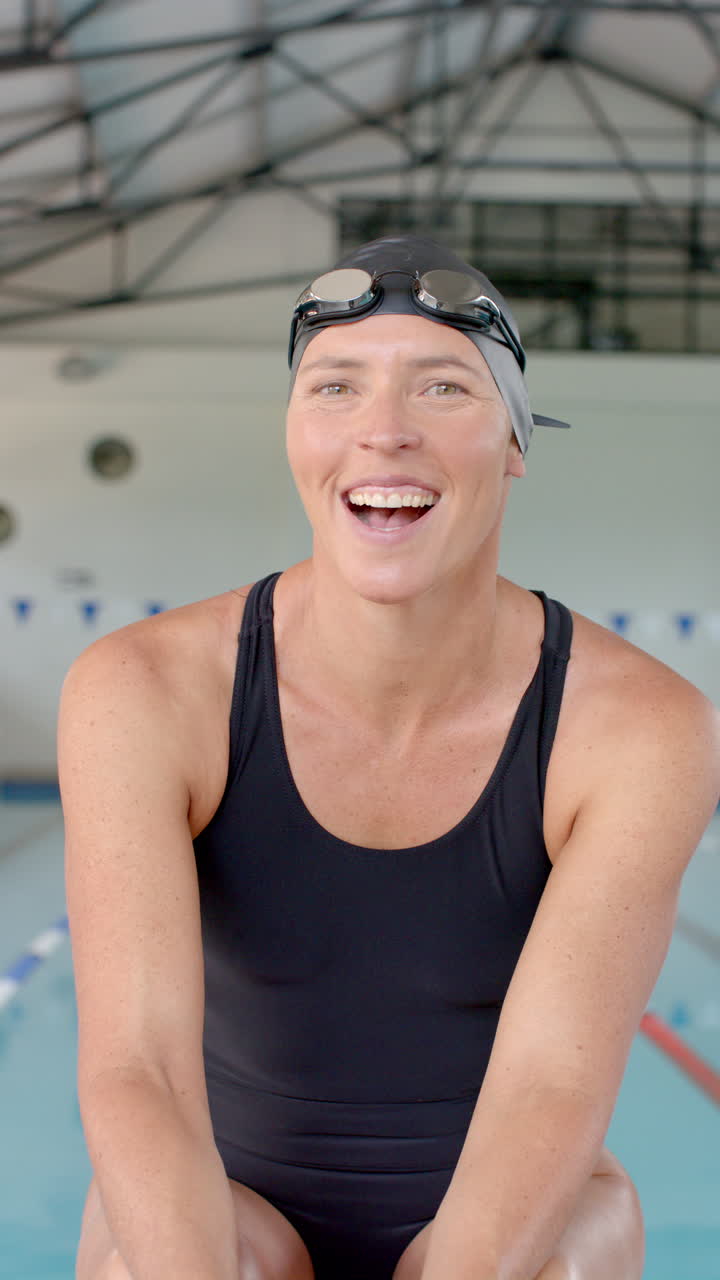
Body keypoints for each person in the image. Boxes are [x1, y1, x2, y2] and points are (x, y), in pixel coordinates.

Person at [59, 235, 719, 1280]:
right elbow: (140, 1069)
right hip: (227, 1199)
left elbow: (553, 1082)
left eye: (443, 386)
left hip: (511, 1216)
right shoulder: (143, 690)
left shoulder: (638, 726)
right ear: (294, 433)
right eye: (336, 386)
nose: (383, 431)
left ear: (513, 439)